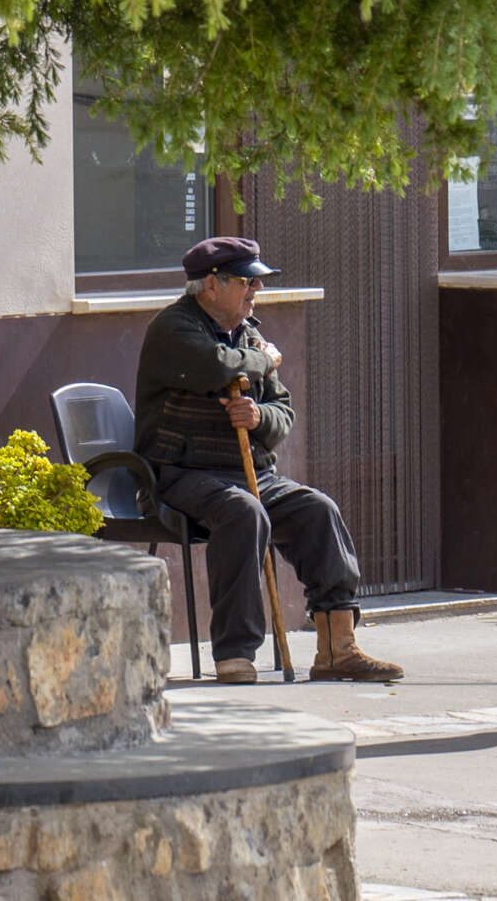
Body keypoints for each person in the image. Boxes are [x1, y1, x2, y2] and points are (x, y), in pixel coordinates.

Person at [132, 236, 405, 685]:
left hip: (249, 472)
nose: (255, 292)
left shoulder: (250, 334)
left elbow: (284, 412)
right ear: (211, 286)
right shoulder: (173, 329)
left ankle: (337, 648)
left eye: (256, 283)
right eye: (246, 282)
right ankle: (235, 653)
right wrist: (263, 358)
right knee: (243, 512)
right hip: (180, 476)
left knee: (318, 510)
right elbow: (217, 366)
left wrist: (258, 416)